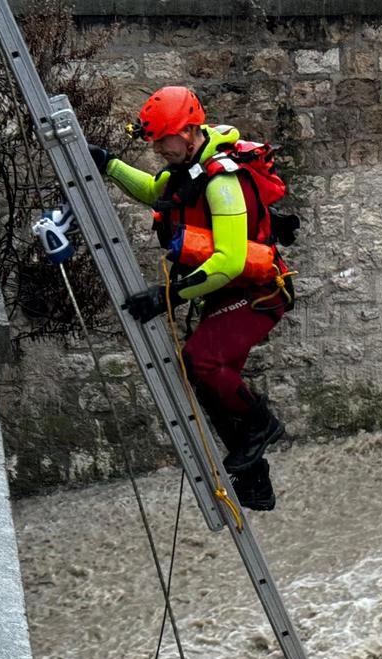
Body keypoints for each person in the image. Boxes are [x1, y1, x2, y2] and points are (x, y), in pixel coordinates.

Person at [89, 85, 292, 511]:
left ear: (187, 132)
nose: (157, 149)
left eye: (163, 139)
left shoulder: (222, 182)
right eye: (154, 141)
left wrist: (168, 295)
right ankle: (255, 479)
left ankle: (262, 423)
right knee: (210, 383)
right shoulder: (188, 170)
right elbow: (154, 192)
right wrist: (108, 165)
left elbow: (229, 261)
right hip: (226, 296)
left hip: (257, 294)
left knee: (202, 360)